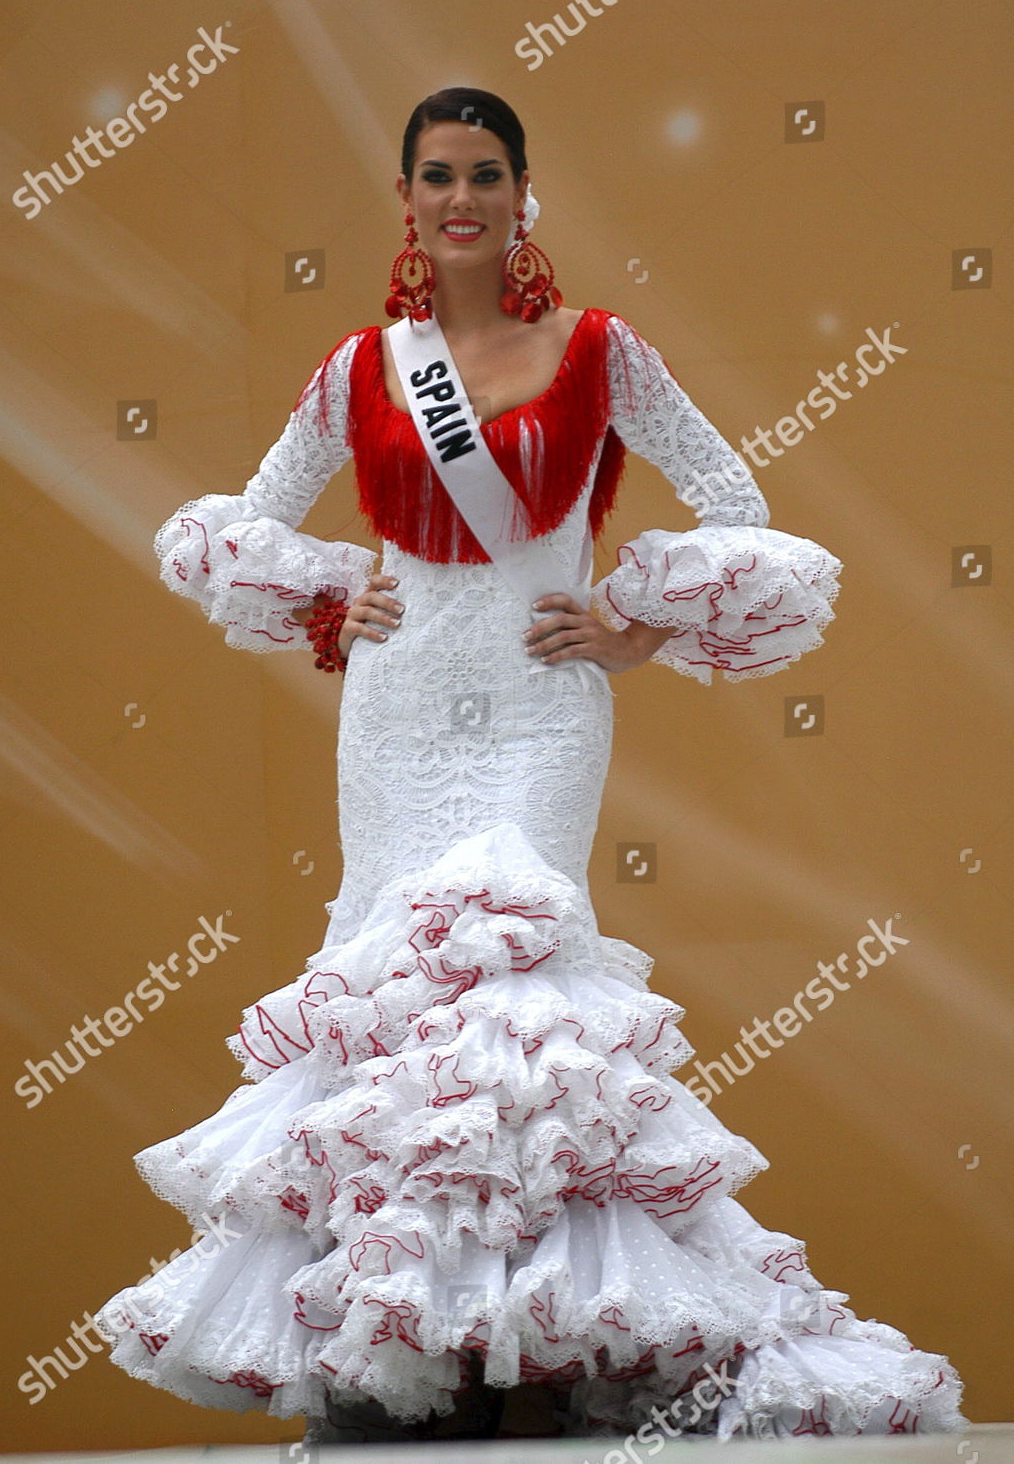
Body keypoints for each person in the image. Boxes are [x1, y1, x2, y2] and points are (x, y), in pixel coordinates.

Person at [92, 88, 967, 1445]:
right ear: (406, 196)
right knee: (394, 993)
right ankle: (416, 1341)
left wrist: (633, 626)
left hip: (537, 704)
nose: (461, 196)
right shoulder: (358, 367)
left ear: (520, 193)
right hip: (394, 708)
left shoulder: (602, 352)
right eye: (437, 174)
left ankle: (539, 1338)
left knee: (518, 992)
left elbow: (735, 502)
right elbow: (246, 524)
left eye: (485, 173)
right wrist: (332, 603)